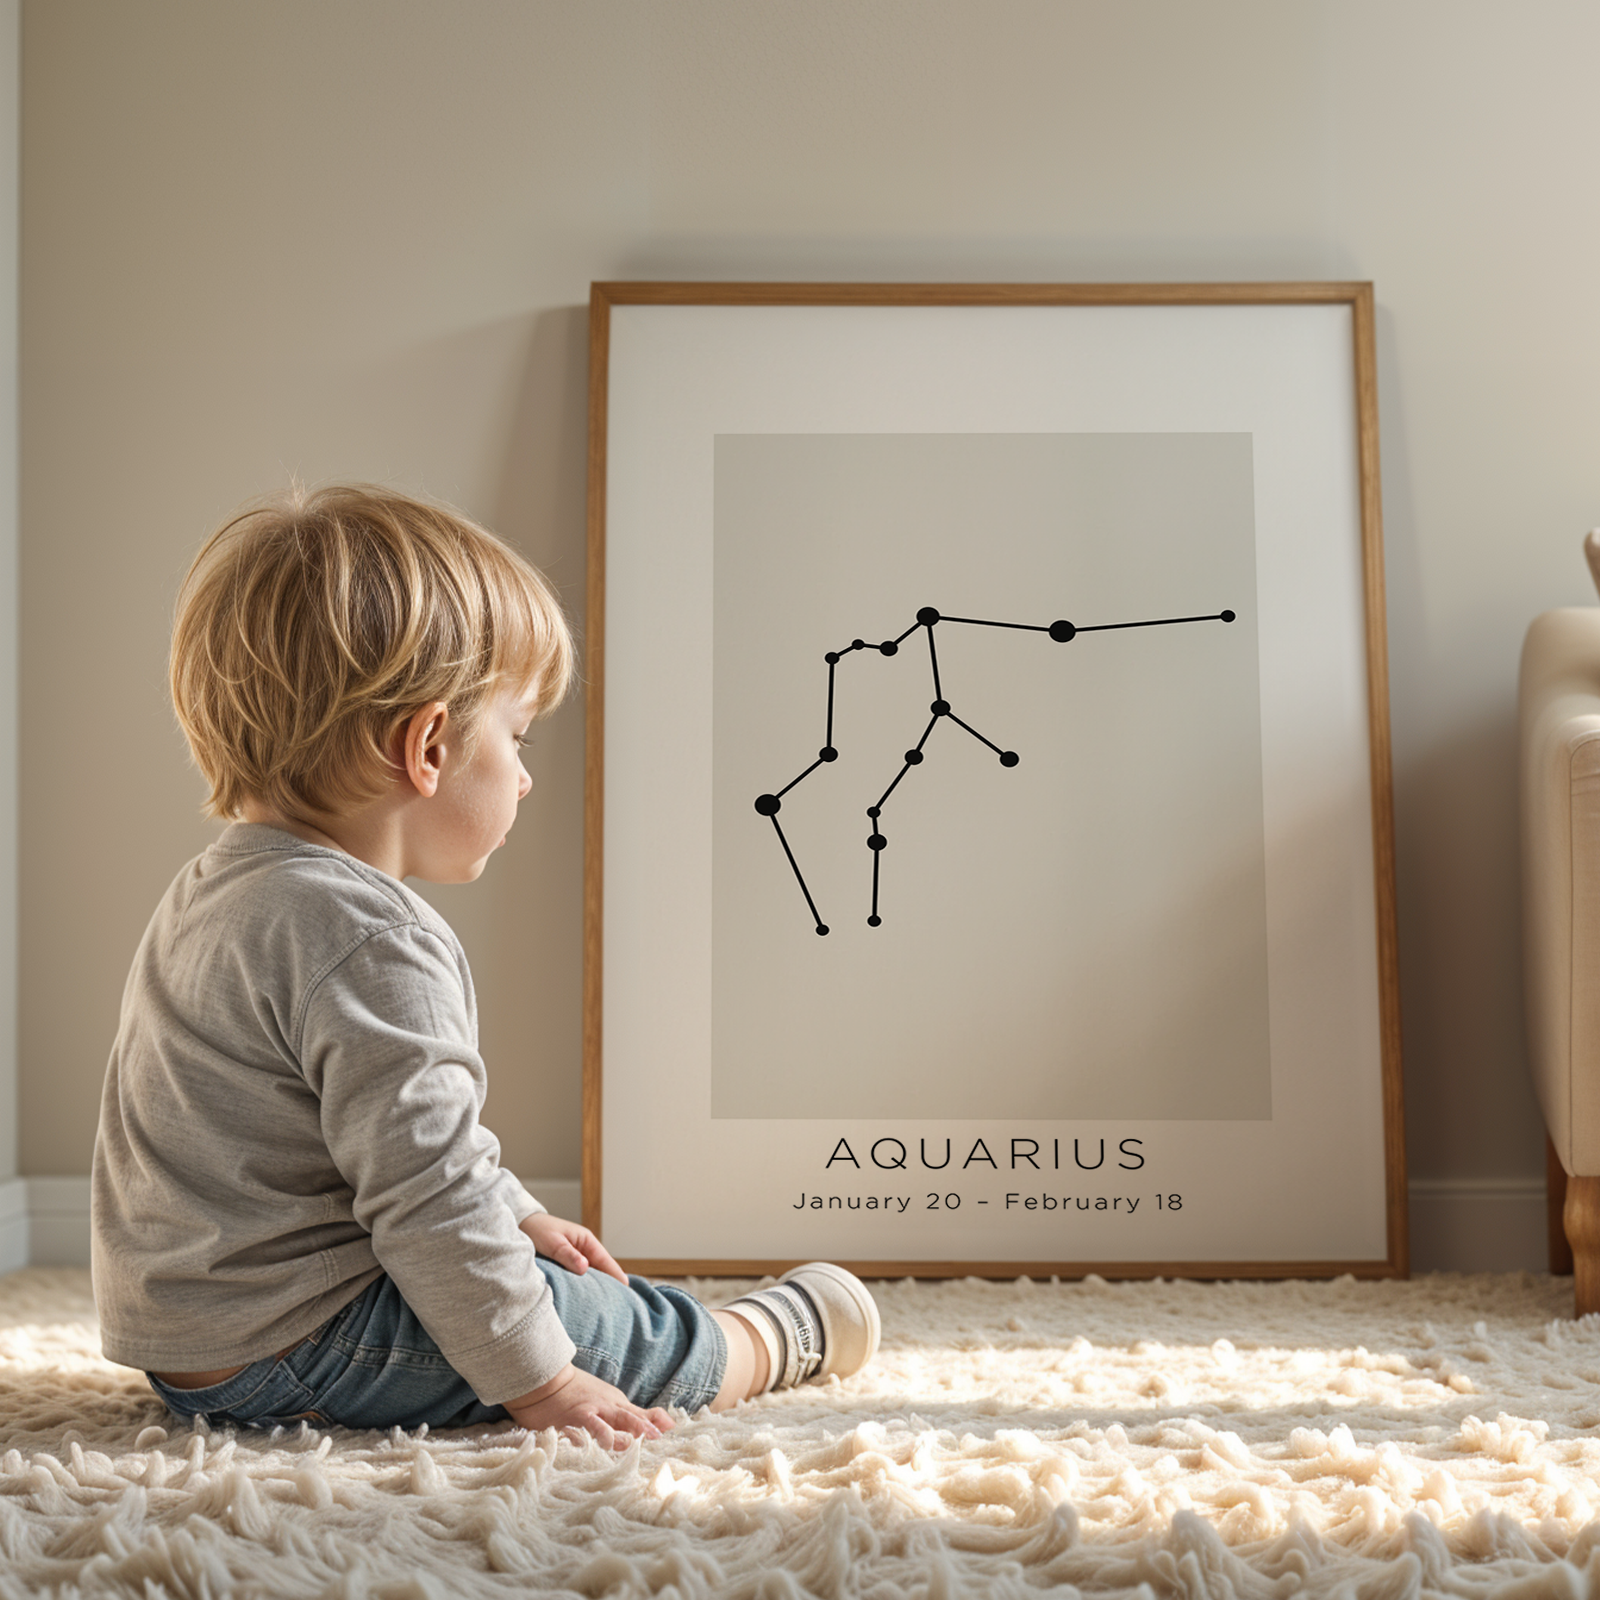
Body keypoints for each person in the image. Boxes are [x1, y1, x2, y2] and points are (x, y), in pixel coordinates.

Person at [90, 483, 879, 1445]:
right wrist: (544, 1384)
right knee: (586, 1326)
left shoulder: (213, 892)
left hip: (188, 1352)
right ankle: (757, 1339)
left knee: (511, 1268)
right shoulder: (373, 938)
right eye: (518, 737)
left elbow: (373, 1138)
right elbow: (426, 1190)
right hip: (307, 1338)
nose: (527, 774)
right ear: (426, 746)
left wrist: (514, 1210)